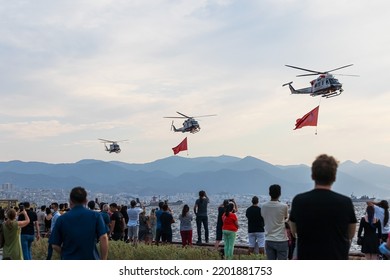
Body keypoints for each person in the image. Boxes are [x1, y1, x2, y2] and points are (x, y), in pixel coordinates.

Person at [289, 154, 357, 260]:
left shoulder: (299, 201)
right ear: (334, 177)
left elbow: (294, 231)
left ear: (312, 175)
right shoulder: (345, 202)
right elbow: (351, 234)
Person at [49, 186, 108, 260]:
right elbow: (104, 237)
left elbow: (54, 245)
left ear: (70, 201)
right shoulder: (96, 216)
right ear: (86, 201)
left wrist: (65, 253)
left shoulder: (62, 219)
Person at [261, 184, 289, 260]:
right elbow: (286, 218)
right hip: (281, 239)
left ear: (269, 193)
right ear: (280, 194)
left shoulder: (263, 206)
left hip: (269, 239)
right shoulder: (284, 206)